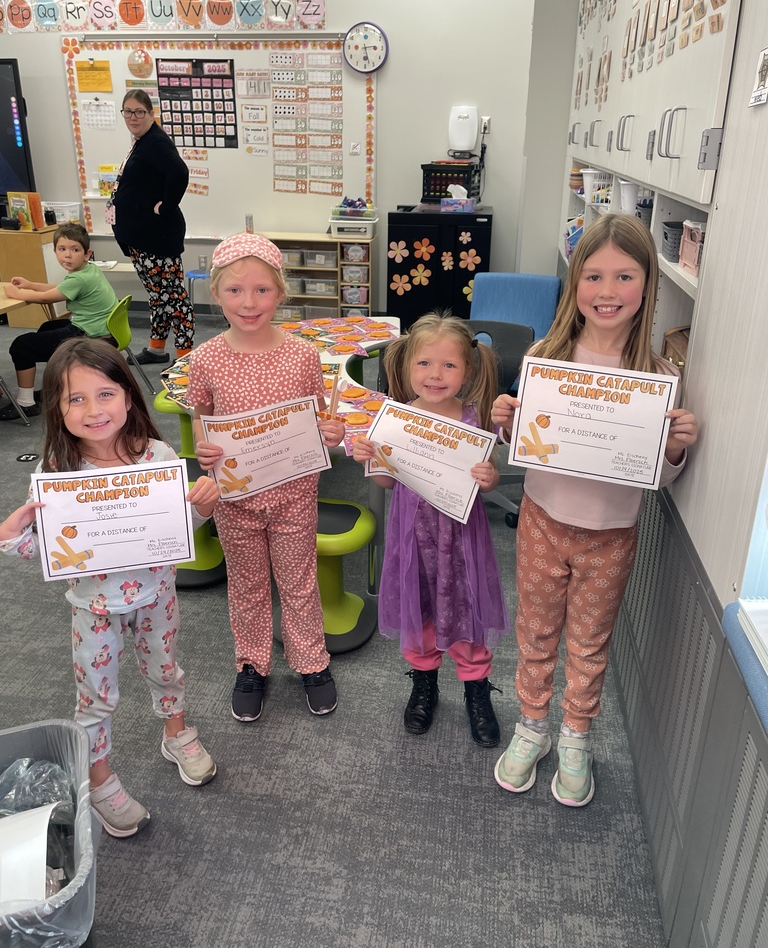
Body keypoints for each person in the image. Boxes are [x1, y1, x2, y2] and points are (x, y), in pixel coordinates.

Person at [492, 214, 699, 806]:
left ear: (647, 286)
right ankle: (532, 726)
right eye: (594, 276)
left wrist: (676, 446)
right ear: (576, 282)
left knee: (587, 644)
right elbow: (526, 450)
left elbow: (656, 475)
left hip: (611, 535)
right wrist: (508, 425)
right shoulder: (545, 356)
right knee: (535, 632)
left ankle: (576, 736)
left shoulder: (657, 378)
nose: (607, 292)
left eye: (625, 277)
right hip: (541, 519)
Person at [0, 338, 220, 838]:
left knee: (166, 669)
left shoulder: (157, 455)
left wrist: (204, 506)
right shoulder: (58, 473)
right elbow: (50, 549)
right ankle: (99, 781)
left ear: (126, 396)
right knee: (96, 697)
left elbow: (179, 527)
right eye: (75, 399)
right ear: (56, 407)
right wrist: (11, 537)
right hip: (93, 606)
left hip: (158, 594)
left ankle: (176, 733)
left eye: (105, 394)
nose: (94, 410)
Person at [187, 232, 345, 721]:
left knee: (298, 581)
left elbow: (317, 421)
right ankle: (252, 663)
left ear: (281, 293)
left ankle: (311, 661)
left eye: (261, 290)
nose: (249, 302)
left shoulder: (301, 355)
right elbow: (201, 415)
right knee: (248, 583)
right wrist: (202, 444)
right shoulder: (206, 358)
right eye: (235, 291)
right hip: (236, 498)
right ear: (216, 293)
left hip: (295, 493)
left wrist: (331, 431)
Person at [352, 312, 509, 747]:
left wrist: (490, 479)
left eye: (448, 365)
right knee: (418, 608)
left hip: (461, 540)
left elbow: (488, 478)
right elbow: (386, 483)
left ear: (468, 370)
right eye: (424, 364)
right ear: (405, 368)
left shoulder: (477, 421)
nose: (435, 375)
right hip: (412, 536)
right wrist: (372, 459)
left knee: (467, 609)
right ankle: (424, 683)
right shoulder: (396, 419)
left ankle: (477, 689)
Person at [1, 223, 117, 421]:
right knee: (48, 328)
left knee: (21, 345)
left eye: (75, 250)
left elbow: (48, 298)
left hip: (90, 336)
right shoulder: (87, 271)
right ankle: (57, 384)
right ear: (55, 251)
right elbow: (59, 288)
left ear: (87, 254)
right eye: (62, 249)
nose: (68, 255)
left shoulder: (79, 279)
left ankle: (26, 403)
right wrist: (30, 285)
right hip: (103, 330)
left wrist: (17, 292)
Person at [110, 88, 193, 364]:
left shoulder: (155, 142)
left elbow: (179, 172)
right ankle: (157, 348)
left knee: (174, 298)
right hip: (141, 238)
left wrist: (166, 205)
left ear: (150, 113)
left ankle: (186, 357)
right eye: (128, 111)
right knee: (158, 296)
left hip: (156, 238)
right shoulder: (141, 141)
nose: (133, 117)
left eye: (139, 112)